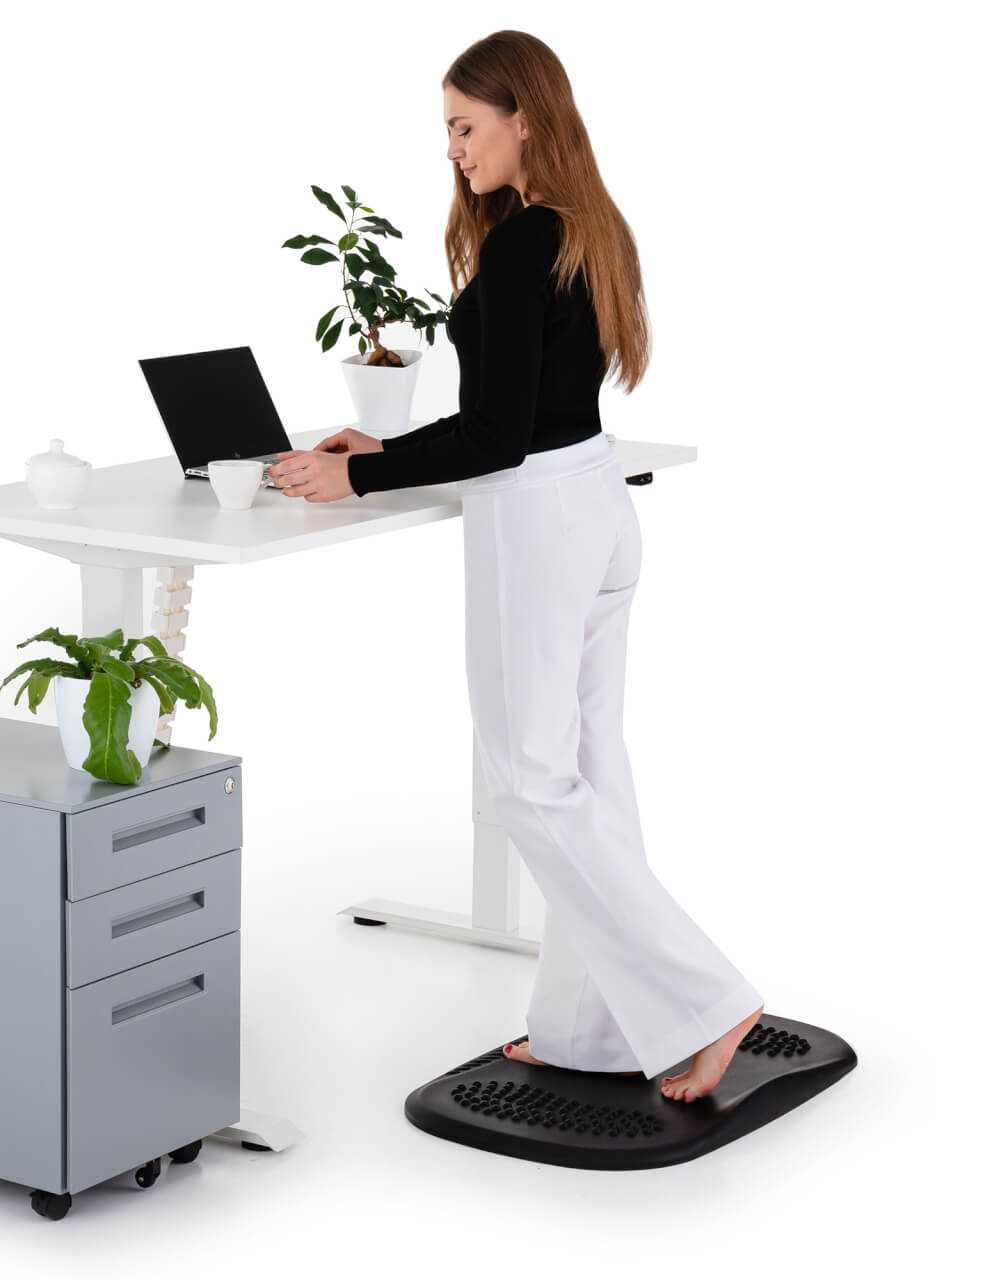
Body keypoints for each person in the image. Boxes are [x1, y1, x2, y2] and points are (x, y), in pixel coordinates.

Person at [267, 30, 764, 1104]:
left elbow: (497, 437)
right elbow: (525, 411)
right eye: (446, 129)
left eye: (464, 125)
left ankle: (706, 996)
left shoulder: (515, 245)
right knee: (589, 776)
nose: (452, 148)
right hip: (594, 500)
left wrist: (355, 478)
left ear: (522, 118)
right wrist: (387, 449)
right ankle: (589, 1030)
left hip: (537, 521)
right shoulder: (585, 226)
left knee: (531, 784)